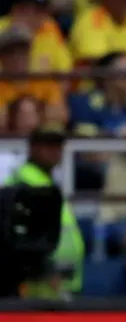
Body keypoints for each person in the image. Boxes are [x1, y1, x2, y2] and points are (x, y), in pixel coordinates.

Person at [5, 125, 83, 299]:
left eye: (58, 146)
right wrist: (43, 269)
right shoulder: (23, 186)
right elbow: (17, 239)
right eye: (49, 146)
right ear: (33, 148)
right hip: (37, 284)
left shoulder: (47, 183)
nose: (56, 152)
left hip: (60, 281)